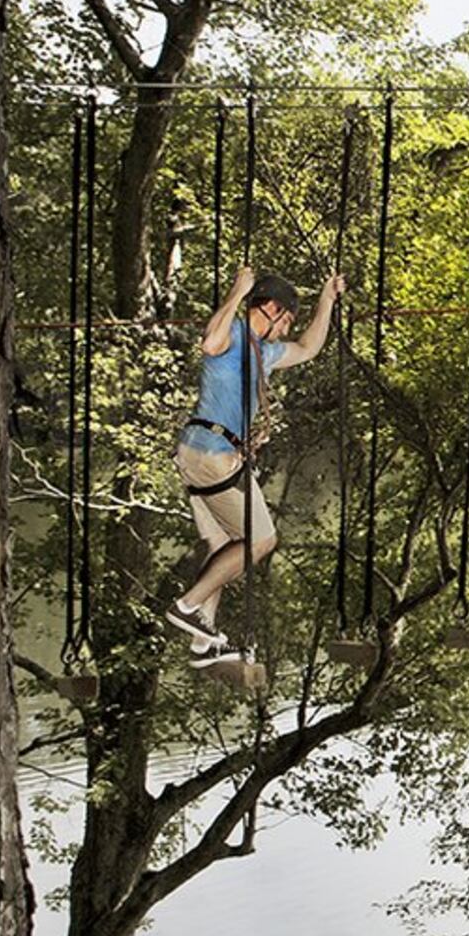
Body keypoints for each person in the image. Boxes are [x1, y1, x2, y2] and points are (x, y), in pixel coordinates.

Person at [166, 262, 341, 670]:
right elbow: (209, 343)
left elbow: (309, 348)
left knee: (223, 546)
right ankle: (188, 606)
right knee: (261, 541)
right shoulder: (233, 336)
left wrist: (326, 301)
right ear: (271, 309)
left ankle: (202, 638)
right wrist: (238, 293)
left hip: (197, 454)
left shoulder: (263, 352)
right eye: (285, 321)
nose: (285, 331)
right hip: (212, 457)